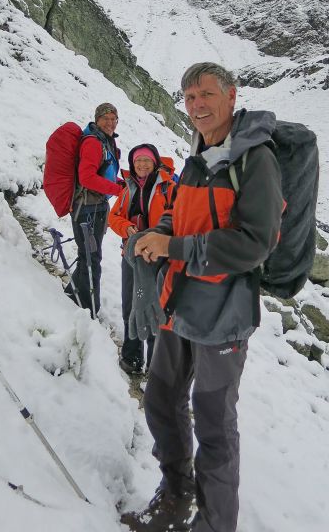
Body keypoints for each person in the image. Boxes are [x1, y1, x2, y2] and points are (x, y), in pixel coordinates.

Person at [121, 63, 284, 532]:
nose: (197, 106)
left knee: (213, 424)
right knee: (161, 400)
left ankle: (214, 525)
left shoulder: (257, 160)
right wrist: (158, 233)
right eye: (189, 98)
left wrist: (174, 248)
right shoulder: (198, 157)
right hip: (181, 304)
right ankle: (175, 494)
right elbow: (179, 212)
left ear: (231, 96)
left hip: (224, 316)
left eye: (206, 95)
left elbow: (255, 243)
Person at [109, 144, 177, 376]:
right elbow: (113, 216)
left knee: (154, 308)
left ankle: (155, 366)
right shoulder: (128, 188)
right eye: (138, 161)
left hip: (158, 260)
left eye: (146, 160)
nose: (142, 165)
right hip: (131, 256)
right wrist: (128, 229)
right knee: (131, 306)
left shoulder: (169, 187)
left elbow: (177, 220)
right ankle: (131, 358)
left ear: (155, 162)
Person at [65, 102, 122, 317]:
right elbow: (87, 178)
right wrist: (117, 190)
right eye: (106, 118)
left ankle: (71, 295)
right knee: (91, 258)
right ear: (97, 120)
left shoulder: (104, 142)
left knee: (87, 255)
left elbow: (102, 172)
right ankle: (89, 309)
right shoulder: (93, 143)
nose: (110, 122)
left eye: (113, 118)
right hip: (86, 210)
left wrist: (119, 183)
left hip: (94, 207)